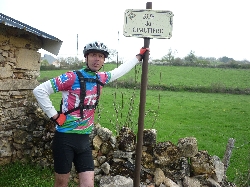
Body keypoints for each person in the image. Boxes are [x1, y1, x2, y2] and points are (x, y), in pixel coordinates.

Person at [33, 41, 149, 187]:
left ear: (104, 60)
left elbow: (119, 71)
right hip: (64, 139)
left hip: (83, 141)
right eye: (93, 55)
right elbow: (39, 91)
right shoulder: (71, 77)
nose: (97, 59)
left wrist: (138, 57)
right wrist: (54, 116)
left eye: (101, 56)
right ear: (86, 57)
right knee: (61, 183)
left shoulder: (100, 78)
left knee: (88, 184)